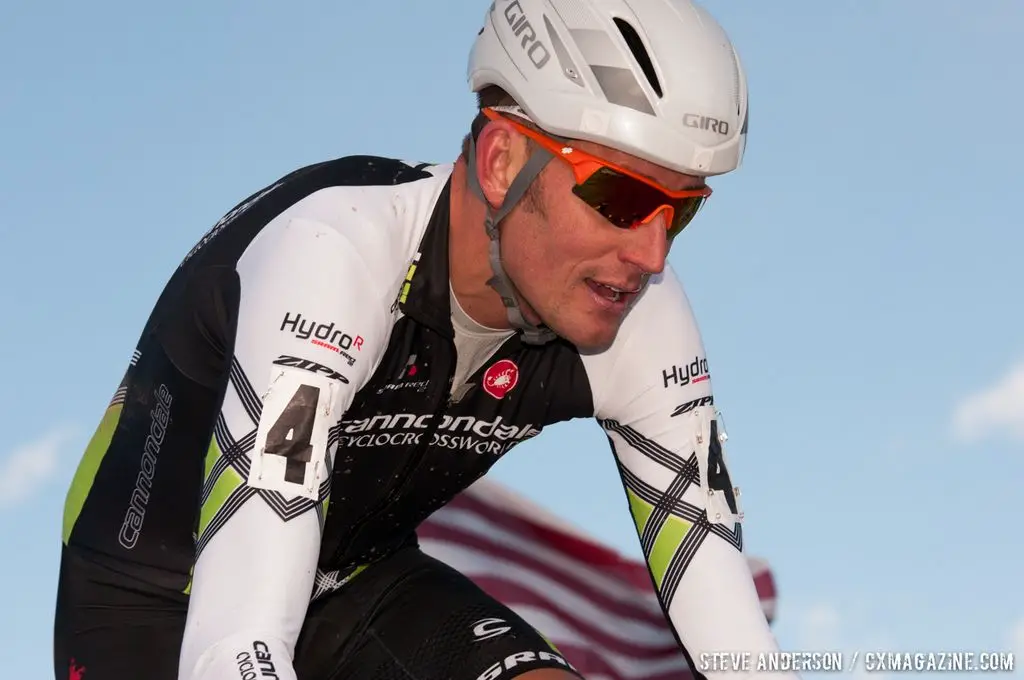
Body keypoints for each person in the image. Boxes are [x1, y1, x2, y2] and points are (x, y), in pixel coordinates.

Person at [54, 1, 788, 679]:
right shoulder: (335, 252)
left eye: (681, 212)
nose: (652, 256)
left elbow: (730, 629)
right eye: (622, 197)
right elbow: (236, 633)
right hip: (154, 599)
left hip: (365, 581)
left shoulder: (641, 310)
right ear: (502, 161)